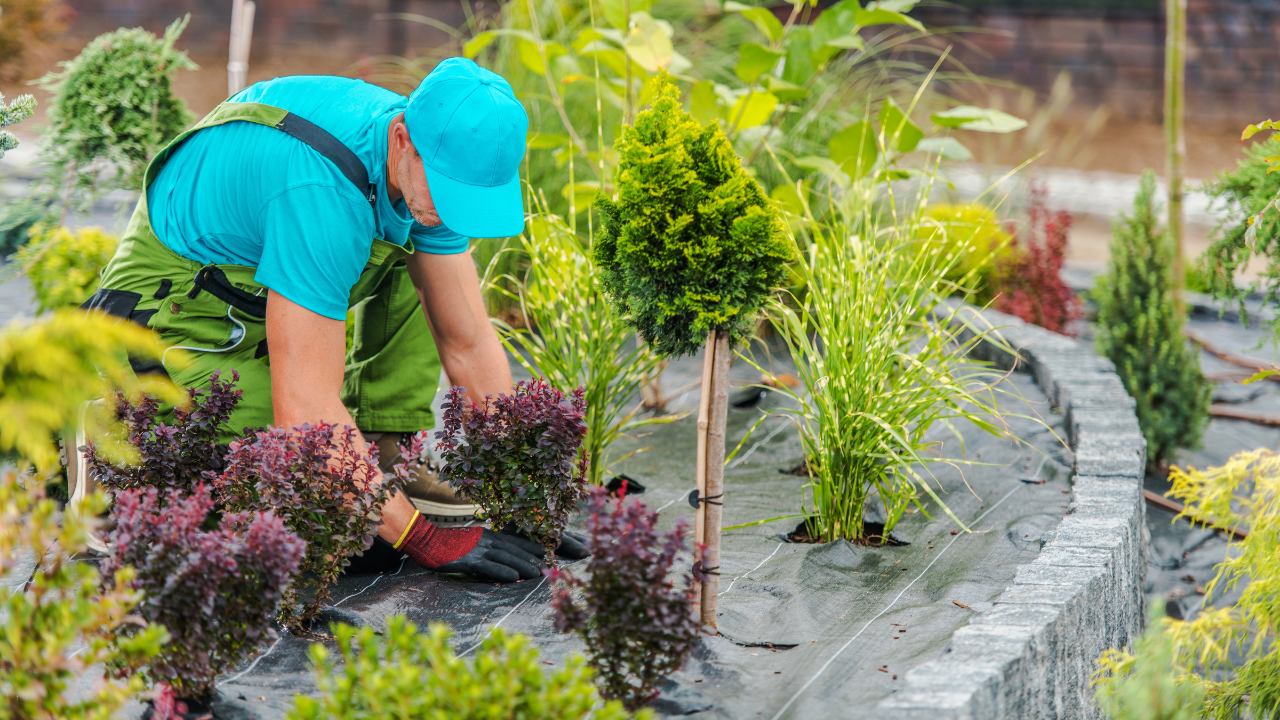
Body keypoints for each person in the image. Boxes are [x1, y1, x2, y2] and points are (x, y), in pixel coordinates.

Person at [81, 57, 583, 582]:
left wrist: (522, 495)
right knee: (266, 511)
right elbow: (306, 411)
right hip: (175, 308)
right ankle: (106, 429)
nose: (453, 212)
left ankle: (385, 453)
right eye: (448, 191)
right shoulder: (321, 191)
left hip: (260, 283)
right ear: (401, 137)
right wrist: (423, 538)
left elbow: (469, 341)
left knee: (423, 261)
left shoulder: (424, 171)